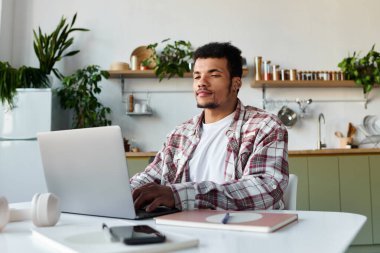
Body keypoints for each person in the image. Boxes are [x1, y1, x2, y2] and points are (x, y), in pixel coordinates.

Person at [131, 42, 288, 212]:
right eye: (197, 76)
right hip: (186, 229)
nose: (202, 83)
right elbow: (151, 176)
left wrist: (179, 195)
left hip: (245, 230)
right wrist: (127, 192)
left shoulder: (265, 126)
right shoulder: (180, 134)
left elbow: (265, 189)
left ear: (236, 83)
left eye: (213, 75)